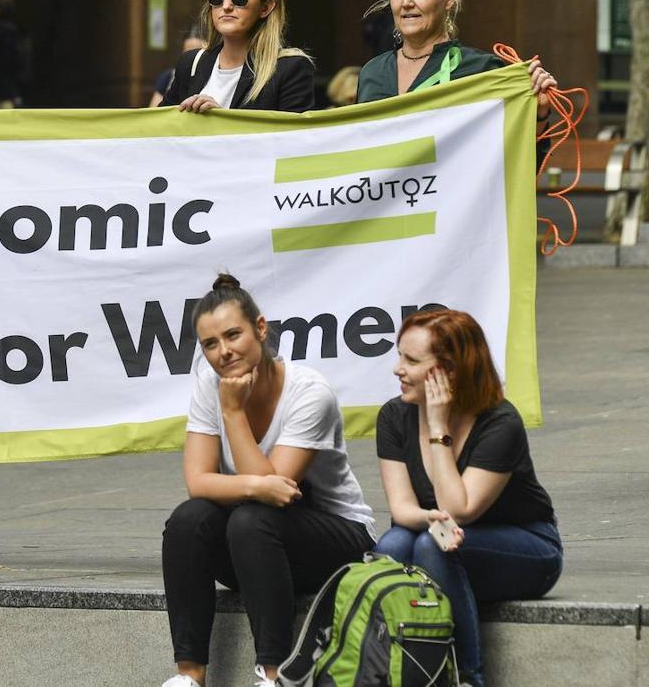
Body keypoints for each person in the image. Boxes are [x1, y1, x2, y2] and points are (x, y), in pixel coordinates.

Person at [160, 274, 375, 687]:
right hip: (257, 544)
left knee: (250, 520)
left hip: (337, 543)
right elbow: (199, 482)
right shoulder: (209, 384)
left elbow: (279, 497)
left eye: (233, 335)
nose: (223, 352)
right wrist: (257, 486)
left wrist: (234, 415)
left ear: (261, 329)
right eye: (210, 344)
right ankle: (189, 675)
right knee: (189, 520)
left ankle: (275, 674)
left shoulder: (310, 393)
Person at [374, 309, 562, 687]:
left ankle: (466, 678)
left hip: (526, 546)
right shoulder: (394, 416)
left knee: (432, 547)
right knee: (392, 545)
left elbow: (461, 509)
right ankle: (398, 672)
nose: (397, 368)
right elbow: (401, 509)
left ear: (449, 371)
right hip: (445, 538)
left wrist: (439, 428)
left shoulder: (500, 423)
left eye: (411, 360)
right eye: (399, 355)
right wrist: (430, 519)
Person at [356, 0, 557, 126]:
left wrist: (539, 114)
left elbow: (509, 154)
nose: (406, 2)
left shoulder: (481, 71)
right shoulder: (372, 73)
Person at [160, 0, 314, 114]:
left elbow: (293, 138)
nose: (226, 5)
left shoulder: (289, 69)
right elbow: (160, 129)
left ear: (266, 7)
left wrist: (223, 120)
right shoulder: (190, 64)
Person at [148, 28, 204, 107]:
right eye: (188, 53)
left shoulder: (213, 75)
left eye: (197, 53)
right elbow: (154, 112)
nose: (192, 58)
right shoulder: (169, 76)